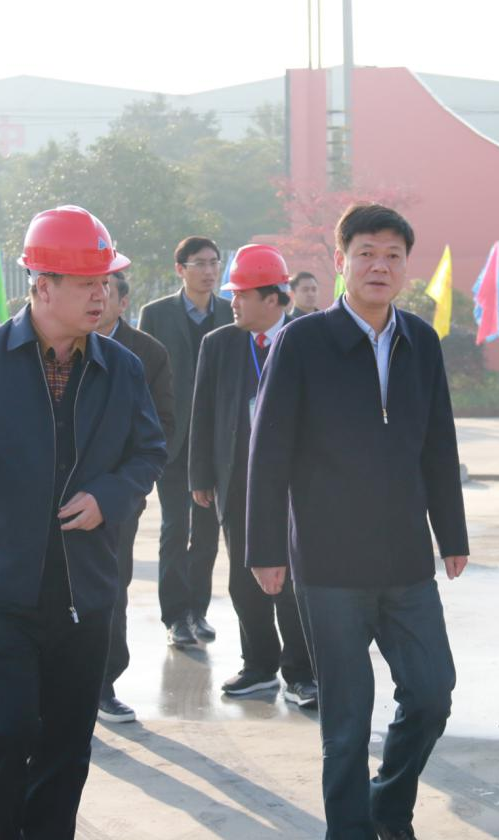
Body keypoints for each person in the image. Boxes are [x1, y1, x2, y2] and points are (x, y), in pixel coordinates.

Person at [0, 206, 166, 837]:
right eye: (87, 284)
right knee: (4, 733)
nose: (102, 295)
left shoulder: (121, 367)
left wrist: (110, 495)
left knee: (67, 743)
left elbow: (149, 452)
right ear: (43, 286)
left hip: (86, 588)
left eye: (105, 282)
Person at [246, 203, 469, 840]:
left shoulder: (419, 340)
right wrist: (266, 547)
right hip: (329, 562)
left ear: (406, 267)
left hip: (405, 557)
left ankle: (388, 808)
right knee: (345, 722)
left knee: (431, 693)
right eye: (366, 253)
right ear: (341, 262)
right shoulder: (303, 341)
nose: (380, 266)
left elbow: (439, 443)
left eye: (393, 255)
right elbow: (269, 449)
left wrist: (451, 533)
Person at [189, 244, 317, 707]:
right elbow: (203, 412)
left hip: (295, 488)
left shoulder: (309, 339)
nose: (233, 302)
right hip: (237, 482)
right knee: (244, 581)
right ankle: (259, 666)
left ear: (272, 298)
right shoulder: (219, 343)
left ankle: (303, 672)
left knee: (293, 582)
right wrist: (200, 475)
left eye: (242, 294)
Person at [138, 237, 233, 648]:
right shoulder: (156, 314)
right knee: (175, 528)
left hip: (216, 443)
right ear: (181, 269)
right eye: (200, 264)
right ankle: (175, 616)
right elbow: (141, 377)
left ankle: (198, 610)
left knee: (208, 534)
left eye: (214, 262)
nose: (209, 271)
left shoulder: (231, 312)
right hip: (174, 441)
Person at [95, 270, 175, 724]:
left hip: (118, 493)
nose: (95, 297)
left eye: (104, 290)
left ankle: (103, 683)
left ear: (123, 302)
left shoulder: (146, 353)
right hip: (58, 490)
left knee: (111, 584)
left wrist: (128, 484)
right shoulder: (58, 342)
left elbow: (163, 426)